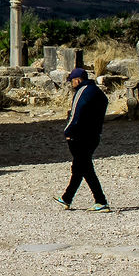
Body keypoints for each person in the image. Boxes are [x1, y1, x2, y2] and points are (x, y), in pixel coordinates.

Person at [57, 66, 111, 212]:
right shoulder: (97, 92)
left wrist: (67, 131)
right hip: (94, 135)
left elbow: (75, 114)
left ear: (77, 80)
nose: (72, 84)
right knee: (80, 167)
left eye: (72, 81)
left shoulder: (82, 92)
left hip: (79, 136)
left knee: (84, 168)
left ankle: (101, 201)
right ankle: (66, 198)